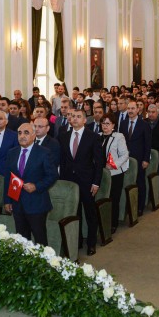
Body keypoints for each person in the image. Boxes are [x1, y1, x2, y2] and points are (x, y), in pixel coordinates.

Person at [59, 108, 105, 256]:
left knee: (90, 213)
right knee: (74, 212)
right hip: (70, 181)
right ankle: (76, 241)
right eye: (73, 117)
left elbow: (99, 162)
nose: (75, 119)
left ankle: (91, 244)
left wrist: (96, 182)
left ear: (85, 120)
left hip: (87, 181)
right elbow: (63, 160)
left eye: (79, 117)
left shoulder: (93, 137)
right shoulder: (64, 136)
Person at [3, 122, 57, 246]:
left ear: (34, 135)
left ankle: (42, 264)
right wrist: (7, 200)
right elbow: (8, 178)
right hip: (17, 203)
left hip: (36, 203)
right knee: (22, 239)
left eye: (26, 133)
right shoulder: (12, 152)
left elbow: (52, 175)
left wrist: (37, 186)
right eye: (20, 133)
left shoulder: (44, 152)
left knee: (40, 240)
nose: (22, 136)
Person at [120, 100, 152, 215]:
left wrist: (146, 159)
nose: (130, 111)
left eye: (133, 108)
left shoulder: (144, 124)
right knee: (127, 182)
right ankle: (128, 206)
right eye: (128, 108)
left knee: (140, 182)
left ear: (138, 110)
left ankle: (140, 207)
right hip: (125, 159)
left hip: (139, 159)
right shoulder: (123, 123)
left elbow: (148, 144)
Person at [100, 113, 129, 234]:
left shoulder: (118, 136)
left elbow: (125, 154)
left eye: (108, 123)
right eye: (103, 123)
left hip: (115, 173)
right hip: (101, 173)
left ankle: (113, 223)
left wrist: (113, 165)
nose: (105, 126)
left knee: (113, 198)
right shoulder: (97, 136)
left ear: (113, 125)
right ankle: (102, 222)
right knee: (102, 199)